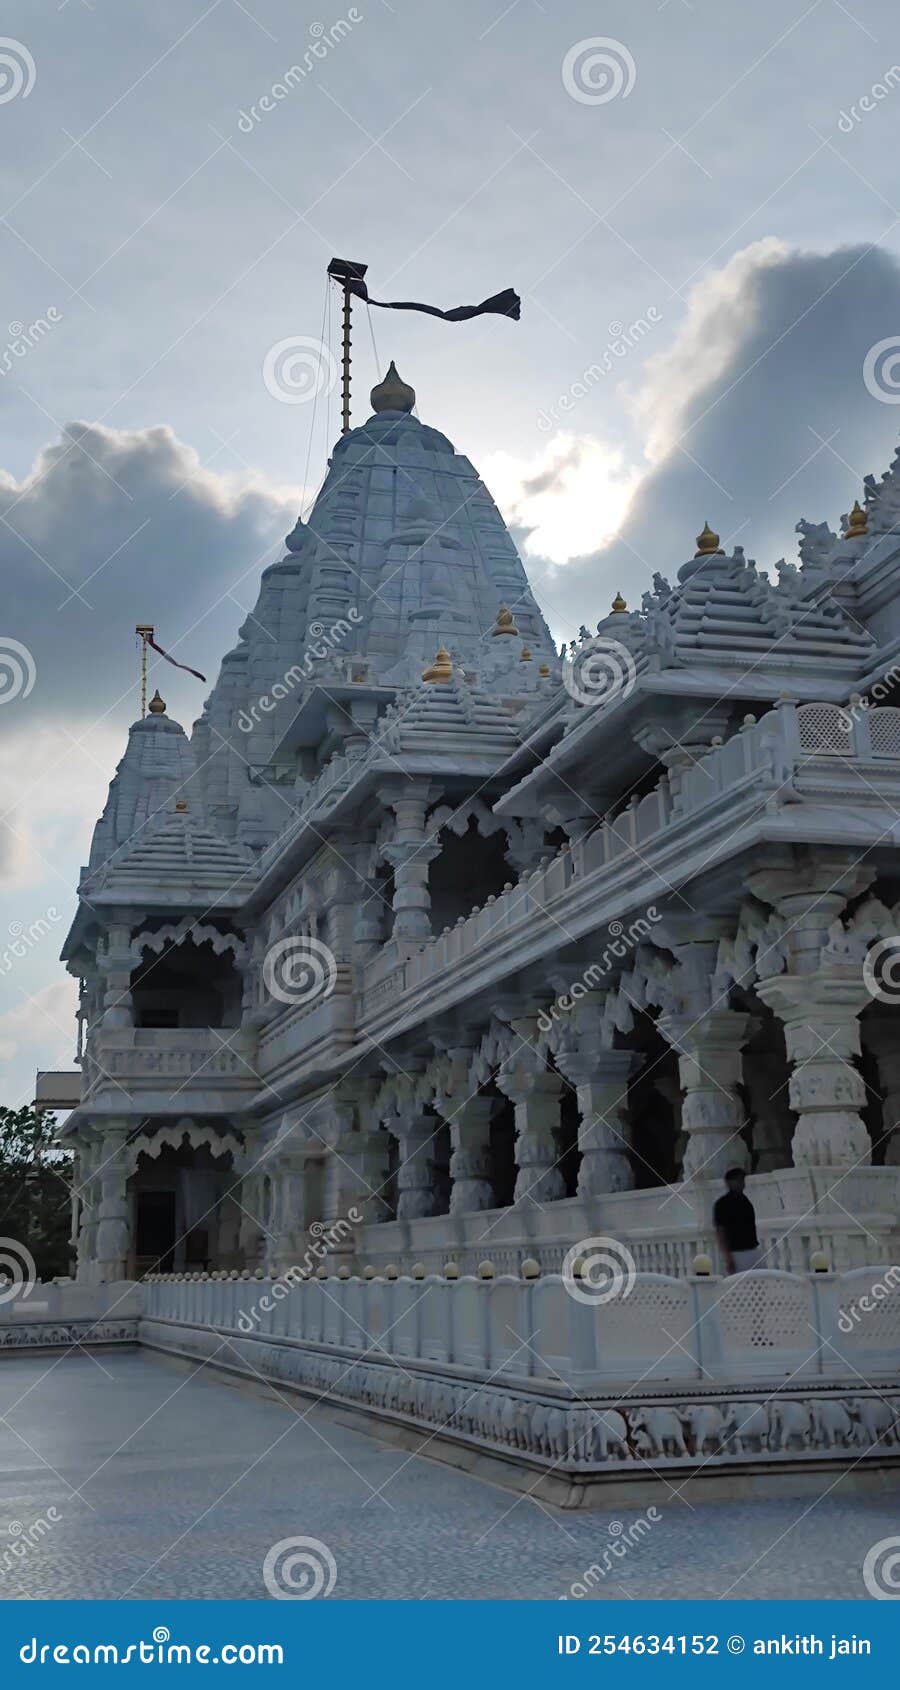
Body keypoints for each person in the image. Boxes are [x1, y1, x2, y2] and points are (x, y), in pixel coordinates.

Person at [713, 1167, 761, 1274]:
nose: (741, 1183)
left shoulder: (745, 1201)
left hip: (752, 1249)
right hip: (736, 1253)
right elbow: (720, 1231)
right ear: (729, 1182)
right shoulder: (722, 1204)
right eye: (738, 1180)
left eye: (742, 1180)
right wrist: (727, 1256)